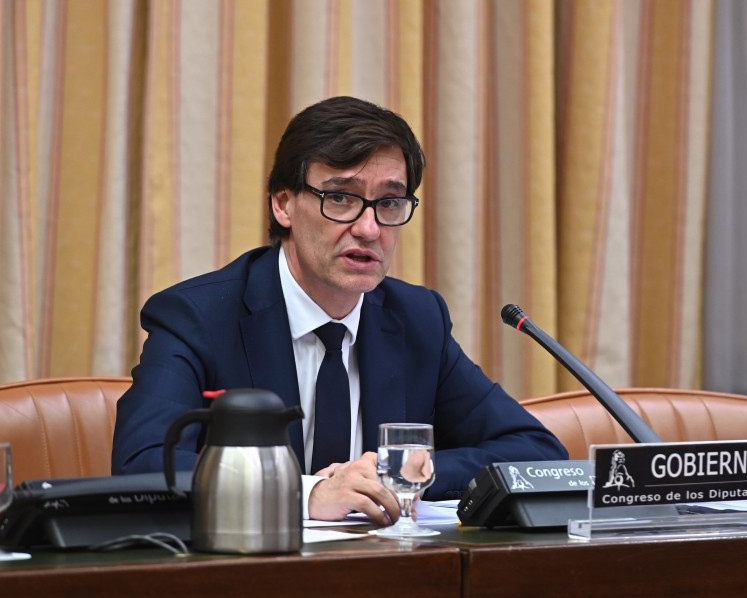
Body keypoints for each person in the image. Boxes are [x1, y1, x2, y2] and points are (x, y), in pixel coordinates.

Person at [112, 96, 566, 524]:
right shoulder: (199, 316)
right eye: (342, 198)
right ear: (284, 204)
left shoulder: (416, 319)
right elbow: (144, 464)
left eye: (389, 203)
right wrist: (304, 495)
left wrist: (403, 473)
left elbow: (535, 450)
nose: (369, 229)